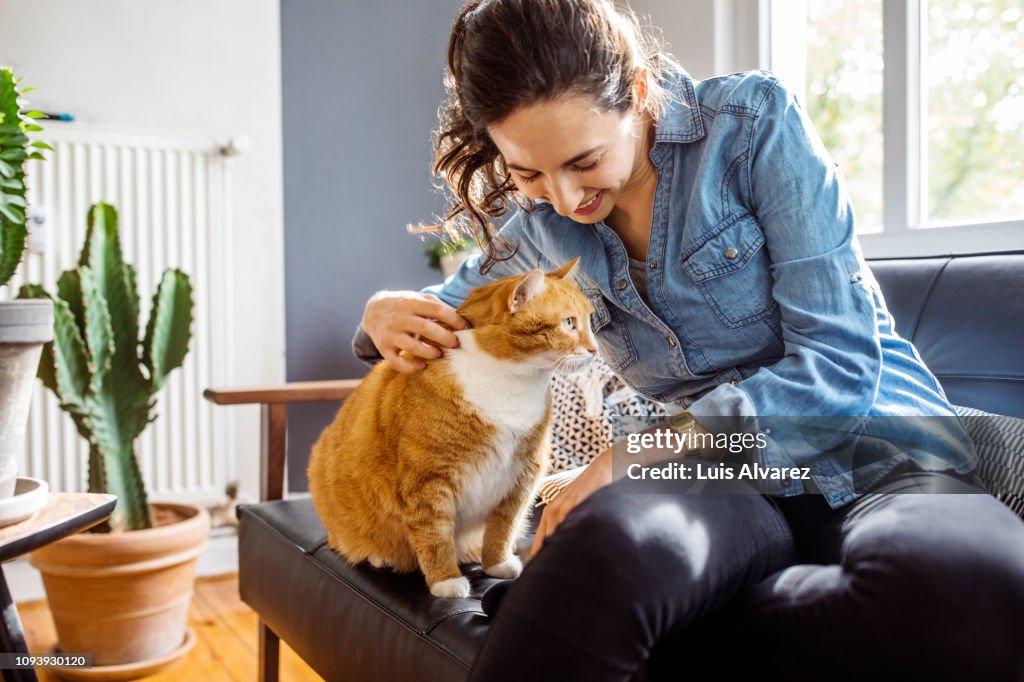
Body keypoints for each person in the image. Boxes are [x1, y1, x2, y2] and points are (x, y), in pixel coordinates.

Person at [352, 0, 1024, 679]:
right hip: (717, 482)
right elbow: (440, 306)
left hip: (875, 441)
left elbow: (839, 366)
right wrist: (381, 313)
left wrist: (635, 456)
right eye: (528, 173)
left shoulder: (753, 126)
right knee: (603, 557)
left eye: (583, 160)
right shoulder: (538, 224)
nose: (561, 198)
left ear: (639, 91)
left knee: (970, 584)